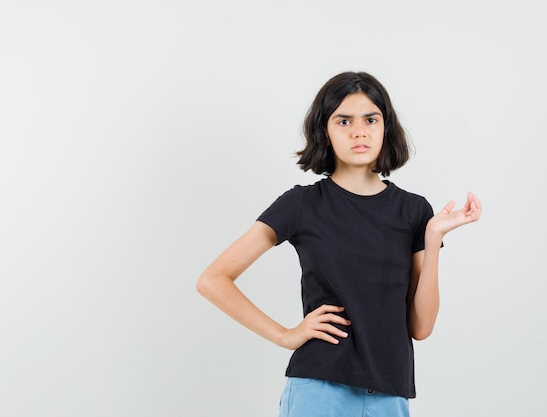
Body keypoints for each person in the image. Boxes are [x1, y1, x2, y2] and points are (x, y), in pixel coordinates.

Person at [197, 71, 482, 417]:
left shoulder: (414, 211)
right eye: (343, 120)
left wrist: (433, 238)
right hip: (319, 391)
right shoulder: (301, 205)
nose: (359, 131)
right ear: (325, 131)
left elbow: (421, 328)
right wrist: (285, 335)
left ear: (386, 128)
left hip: (389, 396)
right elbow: (213, 280)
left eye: (370, 119)